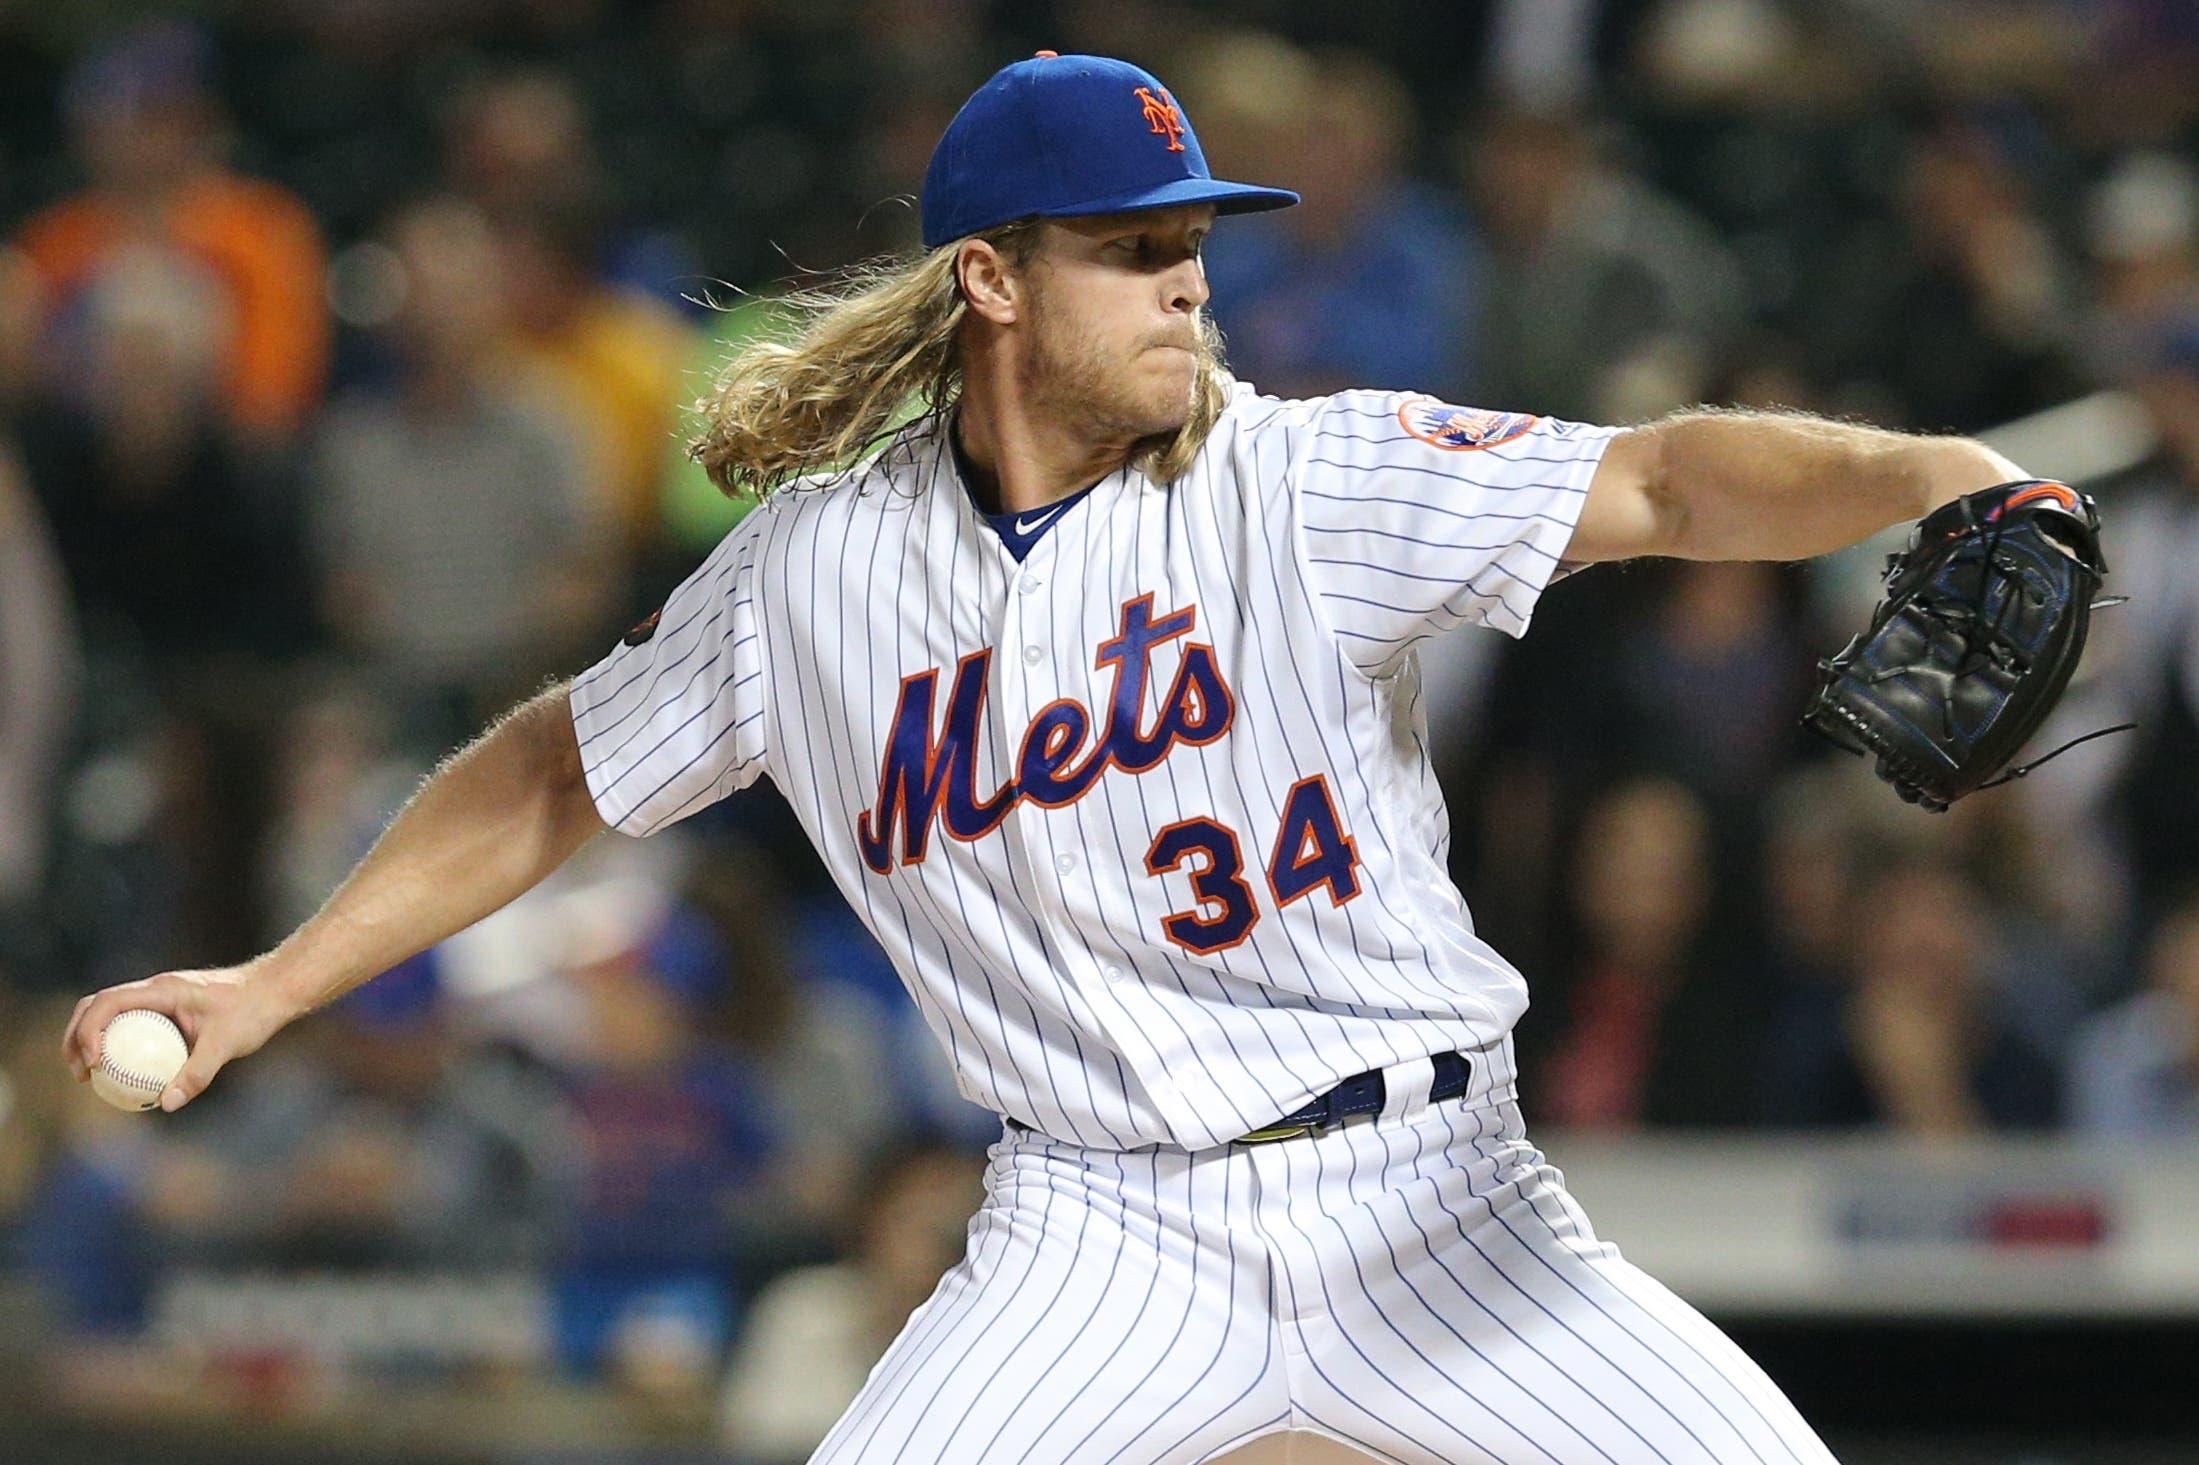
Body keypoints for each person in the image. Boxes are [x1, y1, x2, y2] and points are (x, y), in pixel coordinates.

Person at [63, 52, 2051, 1463]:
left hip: (1439, 1201)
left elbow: (1661, 479)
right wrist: (265, 983)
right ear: (992, 282)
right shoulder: (807, 579)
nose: (1190, 271)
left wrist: (1942, 475)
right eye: (1130, 242)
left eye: (1194, 232)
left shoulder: (1301, 475)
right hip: (1097, 1239)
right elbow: (549, 774)